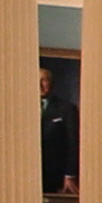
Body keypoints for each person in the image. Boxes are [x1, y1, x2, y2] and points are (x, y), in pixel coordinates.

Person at [40, 65, 79, 195]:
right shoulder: (20, 108)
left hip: (56, 175)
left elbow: (73, 142)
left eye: (44, 80)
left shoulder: (66, 109)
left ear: (51, 83)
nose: (40, 85)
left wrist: (70, 174)